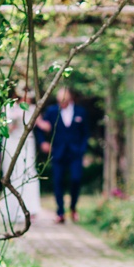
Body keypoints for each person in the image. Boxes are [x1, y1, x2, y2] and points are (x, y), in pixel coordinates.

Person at [36, 87, 90, 223]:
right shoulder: (52, 111)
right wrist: (43, 142)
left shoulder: (80, 112)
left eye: (64, 100)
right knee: (58, 181)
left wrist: (82, 150)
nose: (62, 102)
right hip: (58, 152)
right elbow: (40, 128)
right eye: (60, 100)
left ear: (70, 98)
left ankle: (73, 207)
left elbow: (86, 133)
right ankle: (60, 212)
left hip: (75, 153)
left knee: (75, 179)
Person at [0, 87, 41, 223]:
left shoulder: (32, 109)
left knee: (28, 172)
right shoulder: (10, 108)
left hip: (27, 143)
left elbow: (40, 125)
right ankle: (13, 210)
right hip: (11, 143)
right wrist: (14, 119)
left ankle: (30, 208)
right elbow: (6, 129)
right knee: (13, 174)